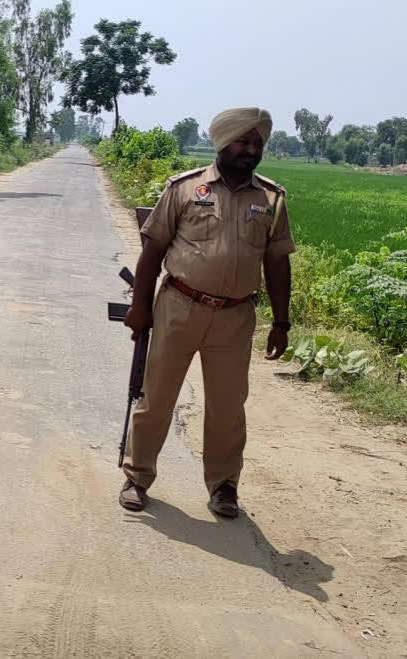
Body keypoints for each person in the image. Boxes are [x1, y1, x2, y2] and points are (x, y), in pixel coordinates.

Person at [118, 107, 294, 519]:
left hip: (235, 318)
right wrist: (139, 308)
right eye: (243, 141)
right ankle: (137, 477)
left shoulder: (271, 198)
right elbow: (153, 252)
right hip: (179, 306)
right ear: (222, 142)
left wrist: (281, 323)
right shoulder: (184, 189)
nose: (251, 150)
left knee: (227, 407)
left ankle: (224, 486)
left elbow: (277, 263)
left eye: (258, 144)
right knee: (155, 396)